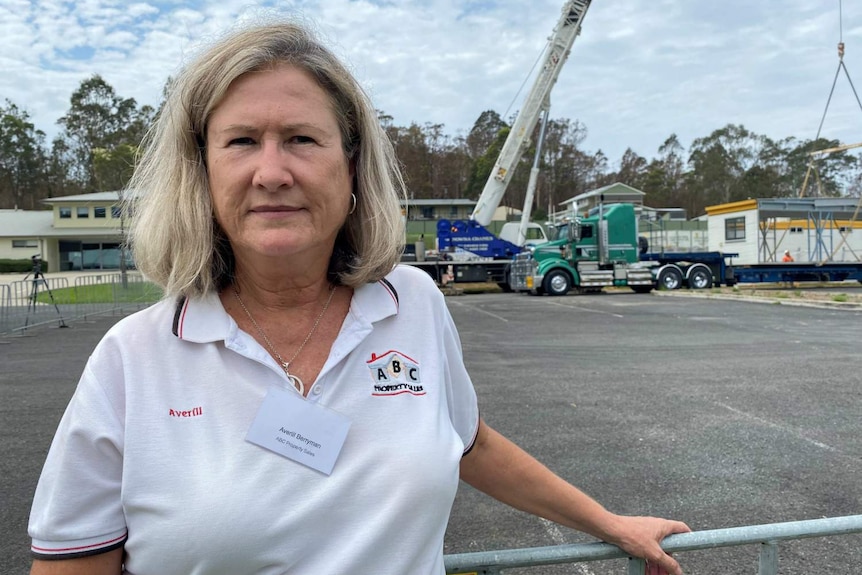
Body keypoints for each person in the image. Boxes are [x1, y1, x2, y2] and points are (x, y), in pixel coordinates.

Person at [28, 20, 690, 575]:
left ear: (350, 169)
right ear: (201, 174)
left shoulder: (413, 303)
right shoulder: (133, 358)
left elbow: (469, 442)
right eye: (240, 142)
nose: (272, 171)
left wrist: (610, 523)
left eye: (302, 139)